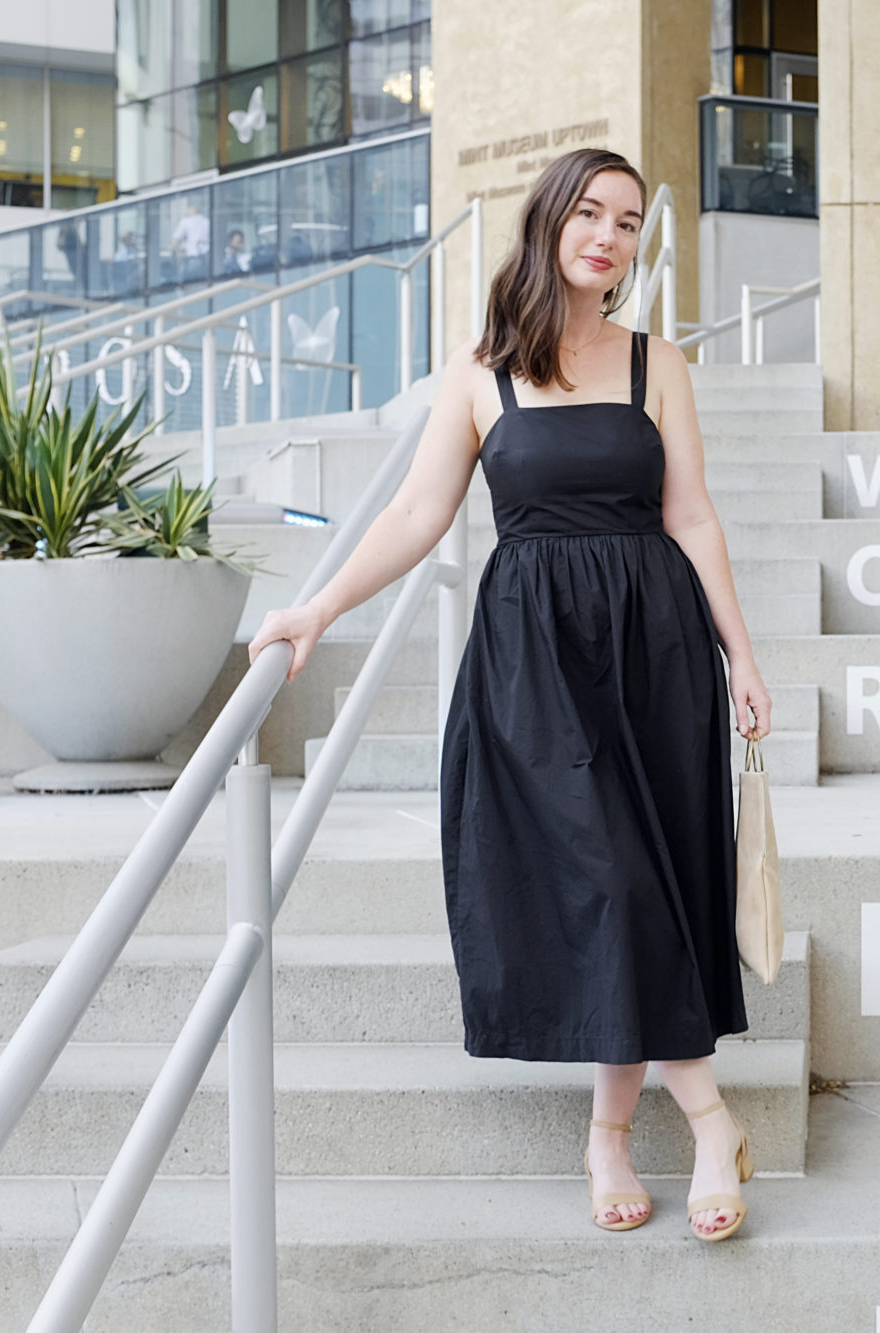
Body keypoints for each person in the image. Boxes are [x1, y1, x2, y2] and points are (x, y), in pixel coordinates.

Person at [247, 147, 773, 1243]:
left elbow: (693, 518)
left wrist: (741, 655)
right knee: (605, 882)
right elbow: (411, 517)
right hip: (534, 660)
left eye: (629, 222)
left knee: (650, 880)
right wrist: (315, 608)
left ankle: (609, 1135)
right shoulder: (478, 371)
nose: (609, 236)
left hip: (653, 646)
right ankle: (710, 1119)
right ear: (547, 223)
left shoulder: (654, 365)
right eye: (590, 213)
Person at [169, 199, 210, 283]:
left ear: (192, 209)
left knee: (190, 286)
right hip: (208, 260)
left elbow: (175, 242)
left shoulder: (186, 222)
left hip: (193, 260)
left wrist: (179, 250)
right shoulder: (207, 221)